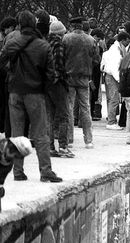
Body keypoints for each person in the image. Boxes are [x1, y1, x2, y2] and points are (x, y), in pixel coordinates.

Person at [0, 10, 62, 182]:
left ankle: (18, 172)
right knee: (41, 133)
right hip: (35, 92)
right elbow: (51, 74)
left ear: (19, 24)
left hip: (14, 92)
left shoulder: (12, 41)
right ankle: (45, 171)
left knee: (17, 133)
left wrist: (11, 75)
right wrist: (44, 88)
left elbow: (2, 61)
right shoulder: (43, 45)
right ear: (35, 24)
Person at [63, 16, 100, 149]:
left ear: (72, 26)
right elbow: (96, 59)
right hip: (84, 77)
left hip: (69, 76)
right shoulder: (91, 40)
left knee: (69, 108)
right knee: (85, 109)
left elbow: (61, 57)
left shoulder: (66, 38)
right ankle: (88, 140)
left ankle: (69, 139)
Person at [46, 20, 74, 158]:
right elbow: (59, 66)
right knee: (64, 115)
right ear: (60, 33)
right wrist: (64, 78)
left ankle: (50, 147)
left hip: (46, 84)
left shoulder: (45, 44)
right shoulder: (59, 45)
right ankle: (63, 146)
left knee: (50, 116)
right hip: (57, 83)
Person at [101, 31, 130, 131]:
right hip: (113, 76)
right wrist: (119, 80)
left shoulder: (116, 48)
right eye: (127, 41)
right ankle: (111, 122)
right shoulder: (116, 51)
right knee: (114, 99)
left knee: (111, 99)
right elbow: (114, 67)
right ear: (123, 40)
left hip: (110, 75)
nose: (128, 43)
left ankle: (111, 119)